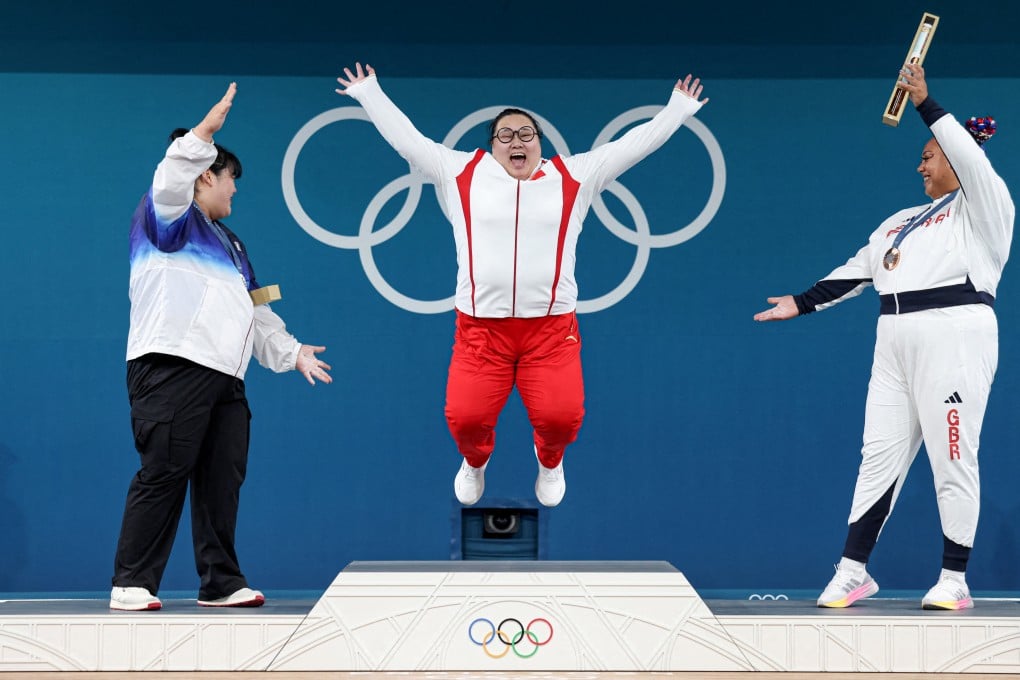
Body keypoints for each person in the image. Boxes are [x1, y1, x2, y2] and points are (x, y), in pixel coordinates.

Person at [335, 62, 708, 508]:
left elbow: (633, 145)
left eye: (526, 134)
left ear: (540, 144)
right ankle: (475, 462)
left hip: (550, 332)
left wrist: (677, 110)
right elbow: (408, 140)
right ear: (491, 146)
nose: (517, 141)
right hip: (481, 331)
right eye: (506, 135)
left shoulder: (574, 176)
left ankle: (550, 462)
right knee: (465, 419)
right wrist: (369, 92)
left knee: (562, 418)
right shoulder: (459, 173)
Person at [754, 64, 1013, 610]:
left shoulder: (986, 207)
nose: (920, 163)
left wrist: (925, 103)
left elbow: (969, 156)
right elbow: (859, 269)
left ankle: (954, 580)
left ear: (957, 155)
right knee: (879, 456)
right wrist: (800, 303)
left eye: (930, 154)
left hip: (956, 332)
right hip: (893, 339)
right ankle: (853, 571)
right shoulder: (901, 220)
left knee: (952, 455)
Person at [111, 83, 333, 611]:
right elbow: (170, 182)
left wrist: (291, 351)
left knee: (221, 480)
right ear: (205, 174)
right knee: (165, 471)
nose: (235, 192)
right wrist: (201, 137)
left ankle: (220, 582)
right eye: (231, 180)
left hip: (225, 379)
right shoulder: (166, 217)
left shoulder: (232, 244)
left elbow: (257, 311)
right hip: (171, 366)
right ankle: (132, 583)